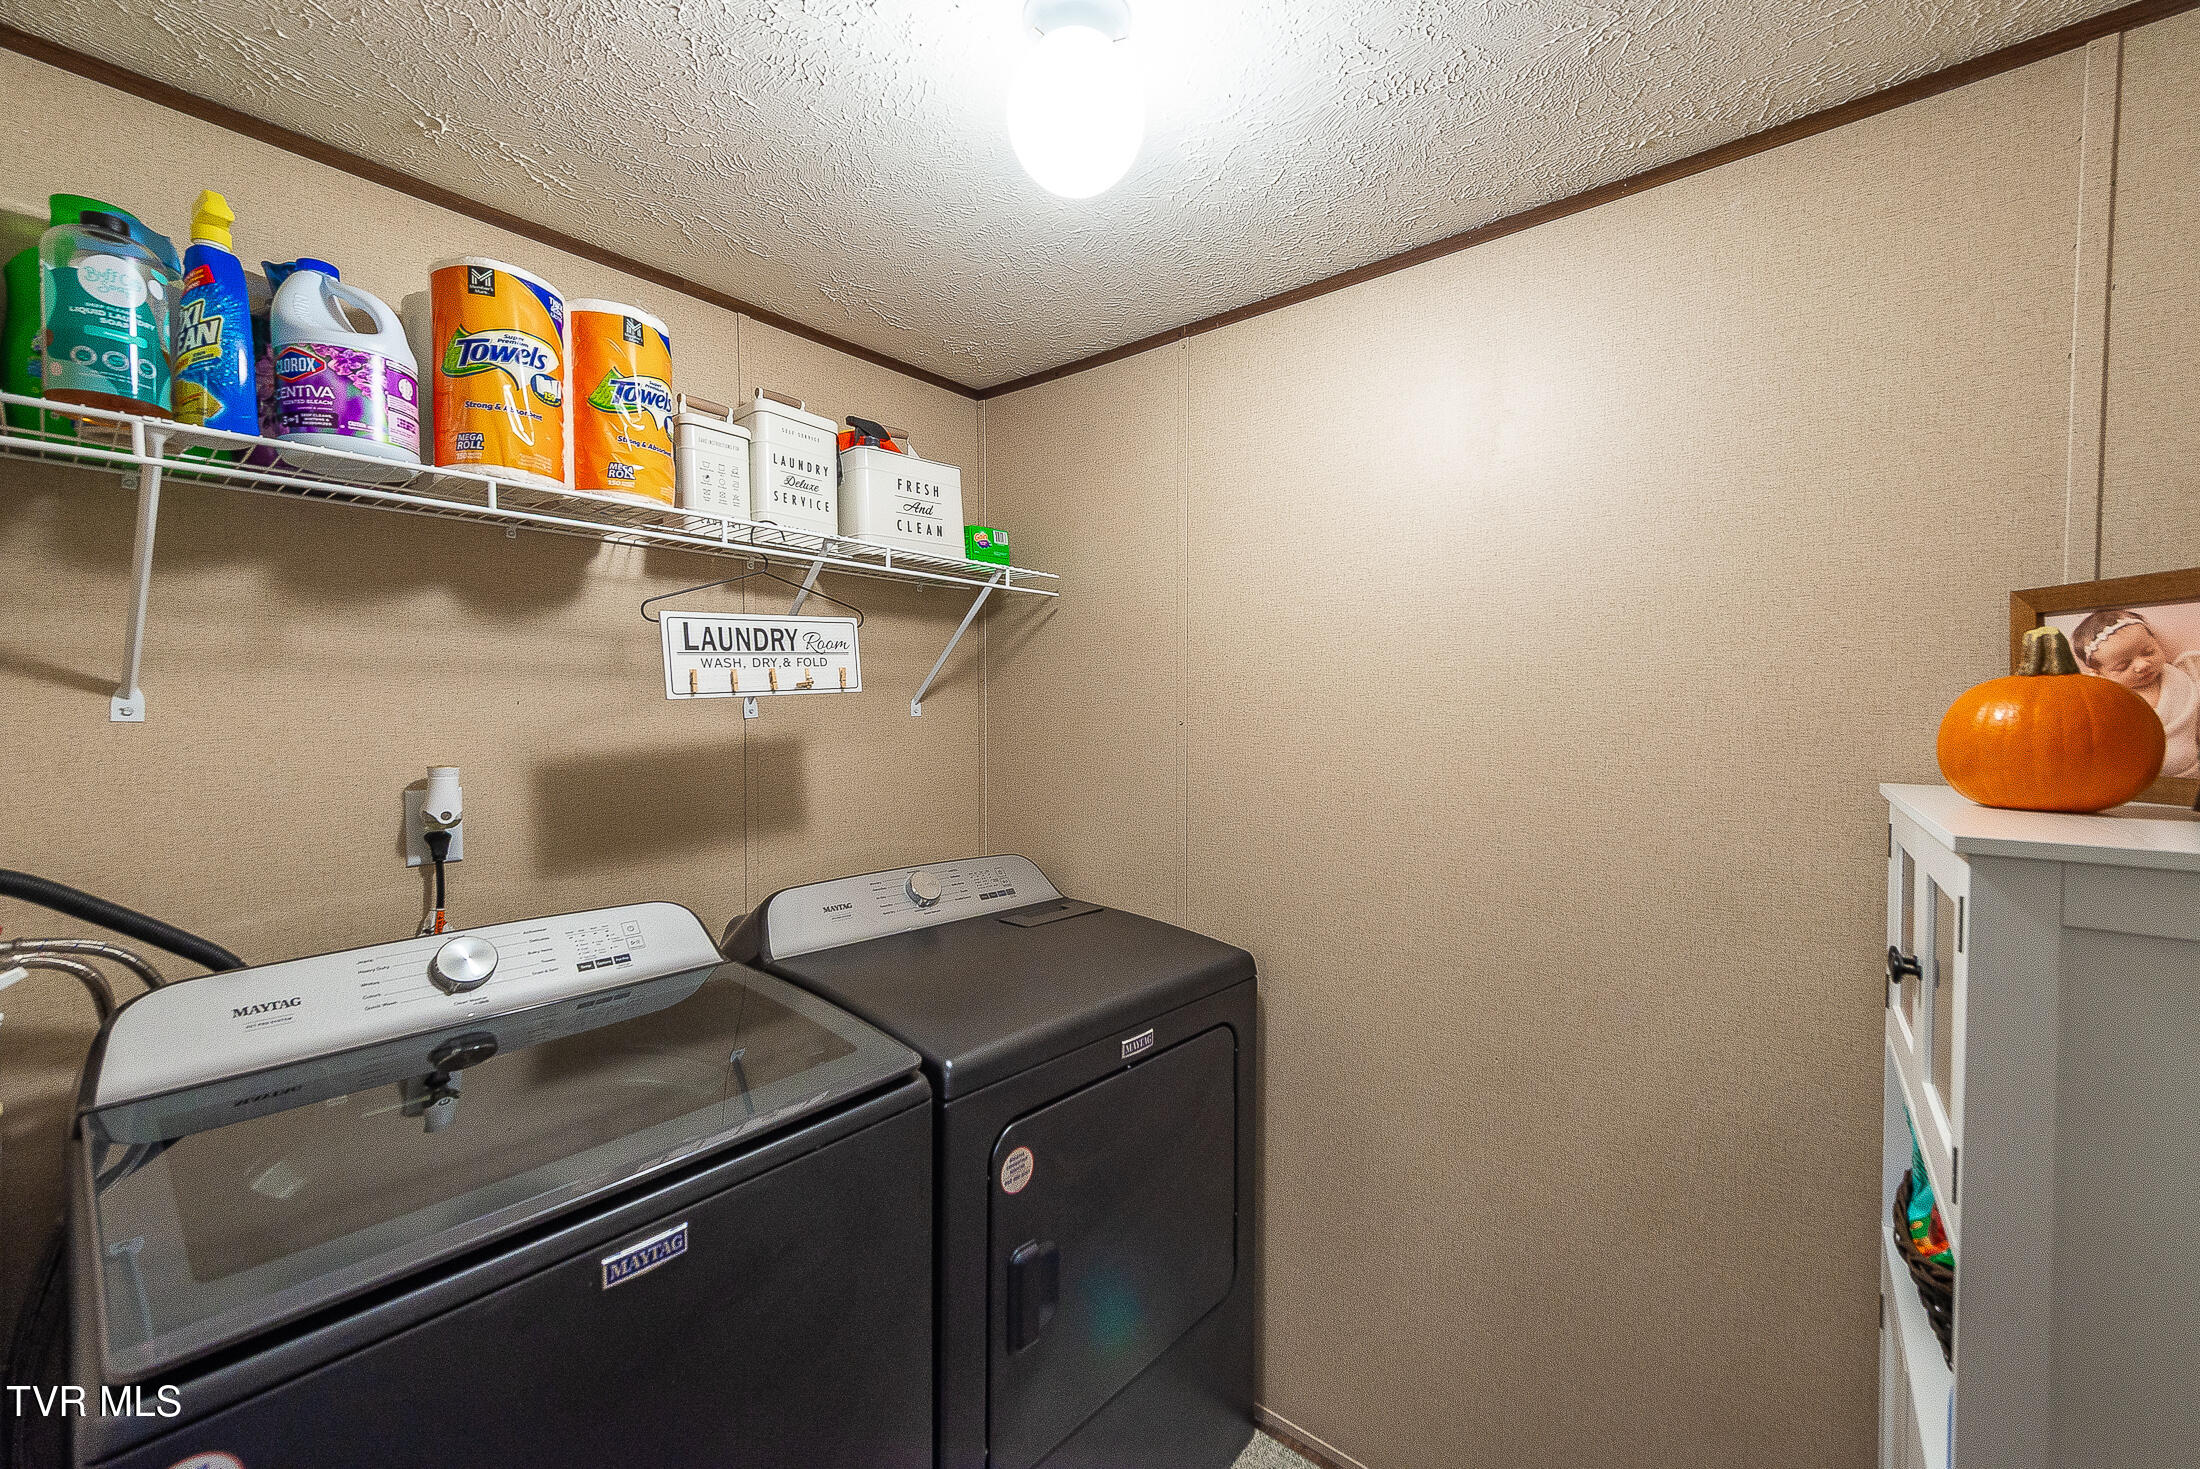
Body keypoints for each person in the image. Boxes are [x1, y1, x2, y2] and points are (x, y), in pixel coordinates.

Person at [2070, 608, 2200, 779]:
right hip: (2133, 783)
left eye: (2149, 652)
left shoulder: (2182, 678)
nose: (2142, 665)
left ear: (2155, 641)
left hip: (2190, 775)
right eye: (2122, 666)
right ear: (2099, 673)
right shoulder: (2106, 699)